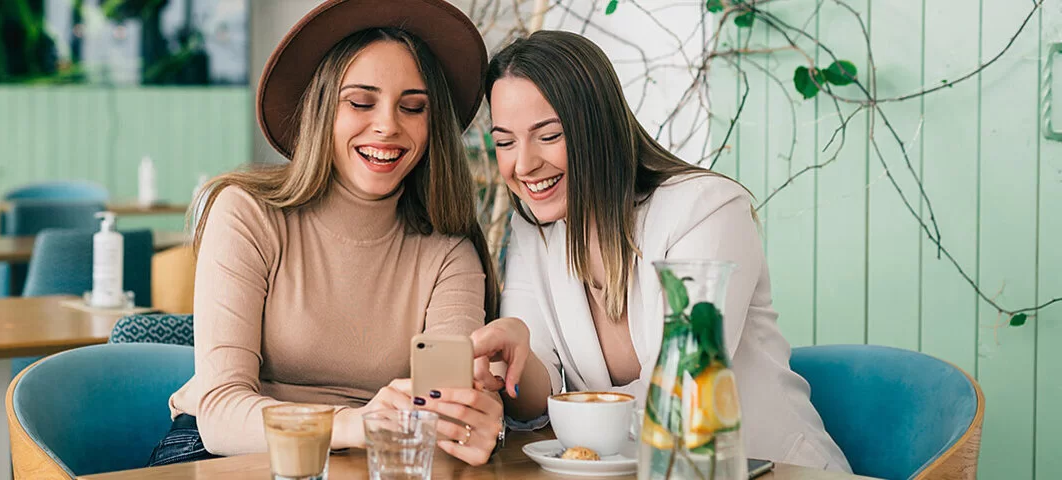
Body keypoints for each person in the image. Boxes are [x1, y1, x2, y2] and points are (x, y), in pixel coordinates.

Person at [469, 31, 851, 471]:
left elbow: (682, 387)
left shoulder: (706, 210)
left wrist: (565, 404)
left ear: (599, 126)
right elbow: (537, 394)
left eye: (548, 135)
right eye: (504, 142)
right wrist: (517, 366)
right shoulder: (534, 228)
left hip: (766, 469)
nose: (523, 164)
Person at [147, 0, 505, 467]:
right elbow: (219, 412)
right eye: (360, 102)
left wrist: (468, 423)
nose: (387, 126)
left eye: (413, 107)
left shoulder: (449, 254)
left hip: (368, 458)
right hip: (222, 451)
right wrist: (356, 423)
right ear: (321, 109)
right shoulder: (247, 213)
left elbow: (438, 408)